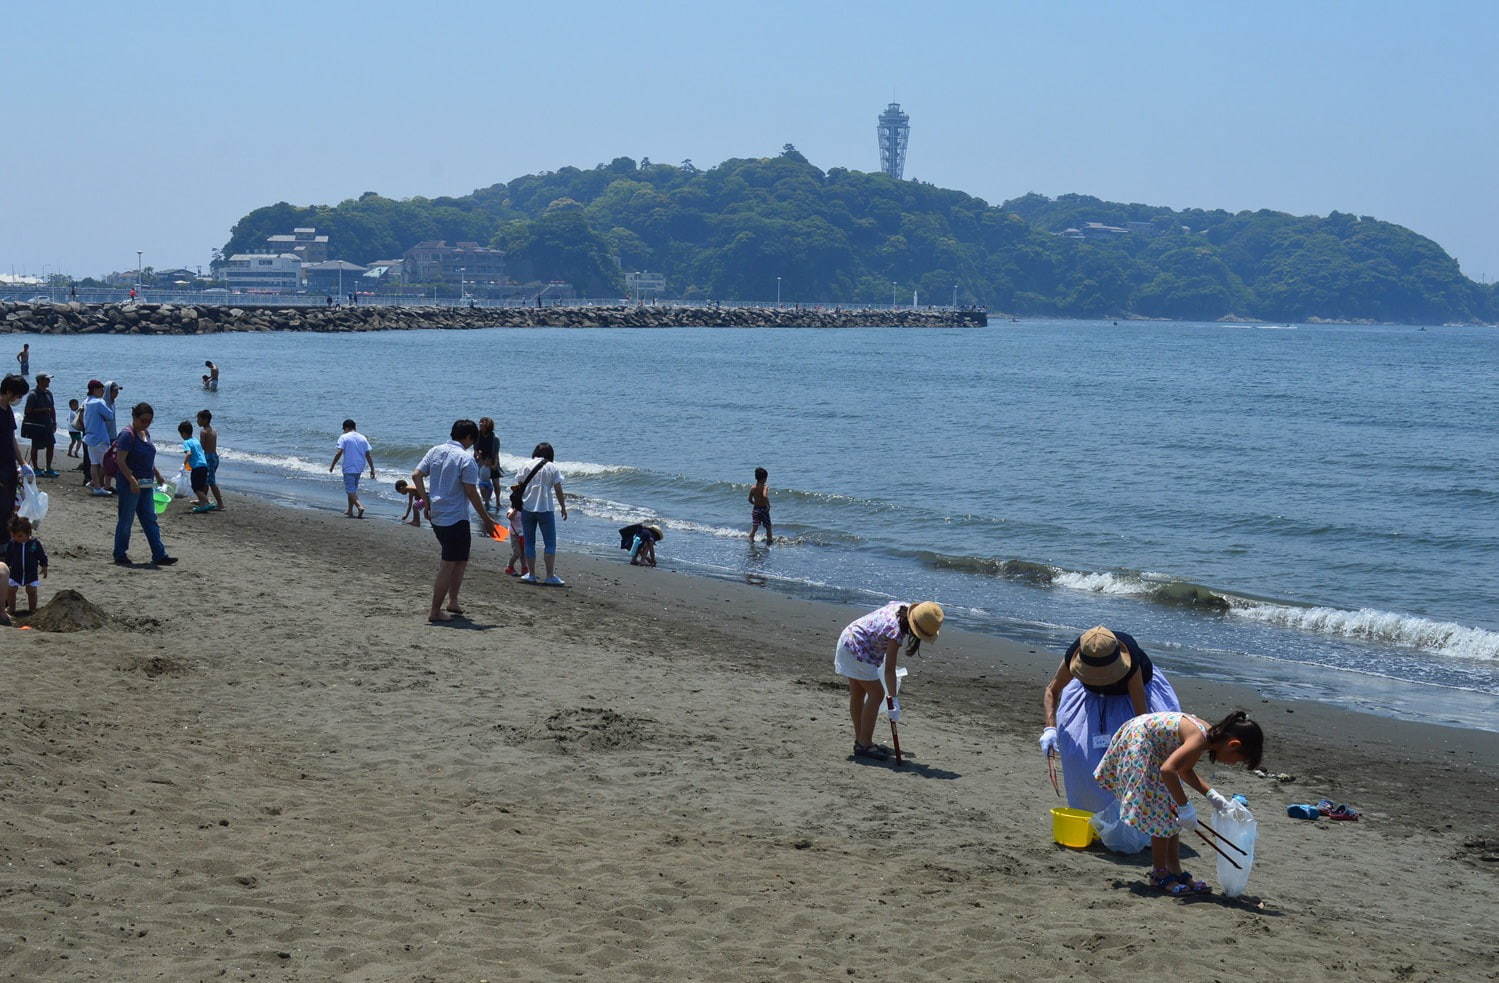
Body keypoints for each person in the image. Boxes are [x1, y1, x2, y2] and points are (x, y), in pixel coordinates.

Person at [1094, 710, 1264, 897]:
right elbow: (1168, 769)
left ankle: (1174, 869)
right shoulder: (1200, 738)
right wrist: (1185, 807)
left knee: (1170, 809)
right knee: (1161, 811)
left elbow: (1184, 770)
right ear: (1233, 744)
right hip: (1140, 740)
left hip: (1155, 749)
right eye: (1238, 760)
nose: (1233, 764)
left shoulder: (1207, 737)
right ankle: (1159, 873)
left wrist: (1213, 796)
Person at [1039, 625, 1181, 814]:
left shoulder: (1131, 663)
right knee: (1079, 757)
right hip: (1091, 700)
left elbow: (1142, 719)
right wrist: (1050, 729)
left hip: (1128, 702)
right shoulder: (1076, 652)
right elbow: (1052, 690)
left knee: (1125, 764)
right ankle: (1091, 813)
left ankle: (1130, 817)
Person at [411, 419, 498, 623]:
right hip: (455, 518)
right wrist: (486, 518)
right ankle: (435, 611)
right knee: (448, 564)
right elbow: (471, 491)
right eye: (472, 439)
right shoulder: (465, 459)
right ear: (468, 437)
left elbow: (416, 475)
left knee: (461, 559)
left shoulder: (435, 451)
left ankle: (453, 601)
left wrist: (426, 501)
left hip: (438, 515)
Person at [833, 600, 944, 760]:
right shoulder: (896, 631)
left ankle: (861, 740)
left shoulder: (901, 607)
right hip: (858, 649)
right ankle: (865, 743)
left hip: (849, 638)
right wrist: (893, 700)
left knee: (858, 692)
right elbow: (889, 670)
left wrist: (892, 699)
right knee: (877, 694)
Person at [111, 402, 177, 567]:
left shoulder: (145, 433)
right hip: (130, 484)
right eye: (143, 420)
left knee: (150, 519)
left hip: (147, 483)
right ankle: (120, 553)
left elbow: (147, 458)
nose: (146, 423)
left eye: (149, 421)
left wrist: (157, 473)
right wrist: (132, 480)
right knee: (126, 519)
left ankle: (159, 554)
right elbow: (120, 461)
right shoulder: (127, 435)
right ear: (134, 417)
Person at [513, 442, 567, 586]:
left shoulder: (525, 464)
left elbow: (519, 486)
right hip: (546, 508)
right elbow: (558, 489)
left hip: (527, 508)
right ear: (550, 455)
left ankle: (531, 574)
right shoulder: (552, 467)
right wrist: (563, 506)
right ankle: (549, 576)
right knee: (550, 543)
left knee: (529, 542)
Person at [1, 374, 33, 530]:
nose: (18, 399)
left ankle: (6, 542)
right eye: (18, 395)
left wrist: (22, 463)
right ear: (8, 391)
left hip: (8, 464)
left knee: (9, 505)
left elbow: (12, 437)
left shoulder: (7, 410)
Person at [329, 419, 375, 518]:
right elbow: (368, 455)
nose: (343, 431)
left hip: (349, 466)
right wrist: (372, 469)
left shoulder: (344, 437)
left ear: (346, 428)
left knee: (350, 490)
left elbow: (339, 452)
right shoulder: (363, 438)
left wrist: (332, 465)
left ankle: (360, 506)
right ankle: (350, 510)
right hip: (359, 467)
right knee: (353, 489)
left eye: (344, 429)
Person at [4, 514, 48, 617]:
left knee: (31, 591)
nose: (16, 538)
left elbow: (41, 555)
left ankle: (32, 610)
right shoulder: (12, 544)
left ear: (28, 534)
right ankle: (11, 608)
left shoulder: (34, 544)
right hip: (15, 572)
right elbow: (8, 557)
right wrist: (6, 568)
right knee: (11, 590)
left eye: (19, 536)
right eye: (14, 536)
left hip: (30, 573)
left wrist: (44, 566)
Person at [20, 372, 58, 478]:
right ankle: (36, 468)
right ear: (40, 381)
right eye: (47, 379)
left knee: (51, 444)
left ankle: (48, 468)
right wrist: (43, 410)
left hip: (47, 424)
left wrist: (54, 422)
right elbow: (27, 411)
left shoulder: (49, 393)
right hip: (36, 425)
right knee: (35, 446)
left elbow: (52, 409)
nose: (49, 381)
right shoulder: (33, 395)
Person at [81, 380, 115, 494]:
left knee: (94, 464)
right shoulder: (99, 402)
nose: (103, 392)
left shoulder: (85, 402)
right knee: (107, 464)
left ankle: (95, 485)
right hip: (100, 438)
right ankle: (96, 485)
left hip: (89, 437)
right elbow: (110, 415)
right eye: (101, 389)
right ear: (95, 389)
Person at [178, 421, 213, 513]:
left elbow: (189, 453)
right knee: (201, 486)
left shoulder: (186, 442)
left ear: (183, 433)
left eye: (181, 434)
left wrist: (183, 464)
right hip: (204, 465)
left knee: (196, 488)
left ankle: (208, 502)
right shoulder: (196, 440)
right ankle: (203, 505)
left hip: (197, 467)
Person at [196, 409, 224, 511]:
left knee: (211, 481)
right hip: (215, 457)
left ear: (205, 419)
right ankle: (203, 500)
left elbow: (201, 447)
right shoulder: (213, 430)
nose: (197, 421)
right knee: (206, 481)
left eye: (199, 419)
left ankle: (220, 504)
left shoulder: (203, 432)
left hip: (209, 458)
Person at [473, 417, 501, 510]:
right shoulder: (477, 436)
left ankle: (498, 501)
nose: (480, 426)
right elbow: (475, 450)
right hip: (481, 460)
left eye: (482, 425)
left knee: (496, 483)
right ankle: (486, 501)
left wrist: (494, 465)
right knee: (483, 483)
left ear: (488, 426)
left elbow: (496, 453)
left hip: (492, 460)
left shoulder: (495, 438)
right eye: (479, 424)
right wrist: (481, 461)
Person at [748, 467, 772, 543]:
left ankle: (751, 538)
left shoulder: (753, 488)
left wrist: (755, 503)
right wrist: (768, 505)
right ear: (764, 478)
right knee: (768, 527)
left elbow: (749, 499)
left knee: (755, 527)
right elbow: (764, 496)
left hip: (756, 509)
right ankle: (769, 540)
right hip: (764, 509)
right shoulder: (765, 487)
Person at [503, 503, 527, 577]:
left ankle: (524, 569)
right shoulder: (512, 509)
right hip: (514, 534)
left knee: (523, 553)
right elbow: (509, 517)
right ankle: (509, 567)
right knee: (517, 552)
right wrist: (516, 509)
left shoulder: (526, 509)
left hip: (524, 534)